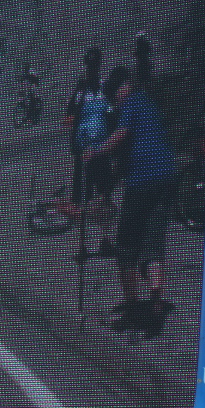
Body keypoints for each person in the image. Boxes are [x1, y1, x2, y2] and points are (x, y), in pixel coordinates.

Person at [84, 66, 175, 338]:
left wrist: (96, 150)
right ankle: (156, 304)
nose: (115, 99)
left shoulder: (132, 103)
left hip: (143, 181)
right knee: (153, 244)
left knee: (125, 247)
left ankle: (134, 310)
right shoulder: (149, 104)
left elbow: (121, 137)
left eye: (115, 93)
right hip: (165, 178)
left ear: (124, 87)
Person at [65, 48, 116, 258]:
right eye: (88, 66)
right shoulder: (80, 92)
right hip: (84, 154)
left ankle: (106, 240)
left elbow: (113, 116)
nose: (91, 70)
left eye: (94, 66)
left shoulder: (105, 90)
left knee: (104, 196)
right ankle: (82, 244)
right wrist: (76, 144)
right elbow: (68, 118)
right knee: (81, 200)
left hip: (101, 151)